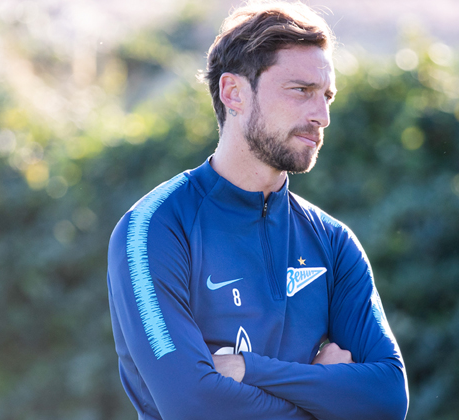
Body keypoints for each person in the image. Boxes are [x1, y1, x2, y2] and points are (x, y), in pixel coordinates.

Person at [107, 1, 409, 419]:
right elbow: (195, 407)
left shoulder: (334, 242)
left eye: (326, 96)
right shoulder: (154, 228)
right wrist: (322, 387)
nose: (321, 116)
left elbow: (388, 399)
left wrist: (249, 369)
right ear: (233, 93)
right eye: (301, 90)